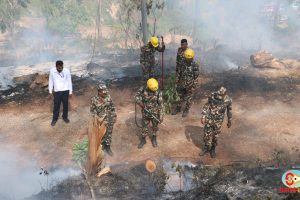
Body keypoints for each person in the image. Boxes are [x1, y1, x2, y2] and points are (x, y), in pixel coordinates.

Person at [200, 87, 232, 158]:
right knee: (206, 133)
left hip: (218, 121)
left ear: (224, 95)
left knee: (215, 135)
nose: (218, 97)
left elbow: (229, 111)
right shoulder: (212, 95)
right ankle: (206, 147)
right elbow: (206, 105)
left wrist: (229, 120)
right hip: (209, 118)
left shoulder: (228, 100)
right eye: (218, 95)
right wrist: (203, 116)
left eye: (220, 96)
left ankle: (213, 149)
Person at [135, 78, 164, 149]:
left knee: (155, 127)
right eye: (152, 90)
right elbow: (136, 97)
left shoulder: (158, 92)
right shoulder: (143, 89)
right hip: (145, 112)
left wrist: (161, 116)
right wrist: (140, 103)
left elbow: (161, 105)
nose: (154, 91)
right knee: (144, 127)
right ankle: (143, 139)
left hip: (155, 114)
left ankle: (154, 138)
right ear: (148, 87)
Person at [90, 83, 117, 156]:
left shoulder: (108, 97)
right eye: (103, 91)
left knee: (109, 133)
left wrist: (114, 116)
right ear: (99, 92)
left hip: (109, 118)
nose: (105, 92)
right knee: (101, 134)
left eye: (105, 90)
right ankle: (101, 148)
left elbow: (112, 107)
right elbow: (92, 111)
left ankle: (107, 147)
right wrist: (97, 118)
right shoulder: (94, 100)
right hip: (100, 121)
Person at [172, 48, 199, 117]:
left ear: (192, 57)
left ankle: (186, 110)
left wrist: (193, 85)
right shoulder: (182, 63)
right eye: (187, 58)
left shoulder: (195, 65)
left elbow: (196, 77)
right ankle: (178, 108)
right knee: (180, 96)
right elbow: (179, 73)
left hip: (190, 85)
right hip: (182, 83)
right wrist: (177, 81)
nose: (188, 60)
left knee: (189, 98)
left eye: (189, 58)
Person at [49, 60, 73, 126]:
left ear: (63, 66)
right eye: (58, 68)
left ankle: (65, 117)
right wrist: (50, 91)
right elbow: (50, 80)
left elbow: (69, 81)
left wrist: (70, 91)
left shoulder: (67, 71)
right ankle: (54, 119)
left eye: (61, 67)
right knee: (56, 105)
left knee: (65, 105)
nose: (60, 69)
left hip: (66, 90)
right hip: (57, 91)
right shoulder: (52, 71)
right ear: (56, 66)